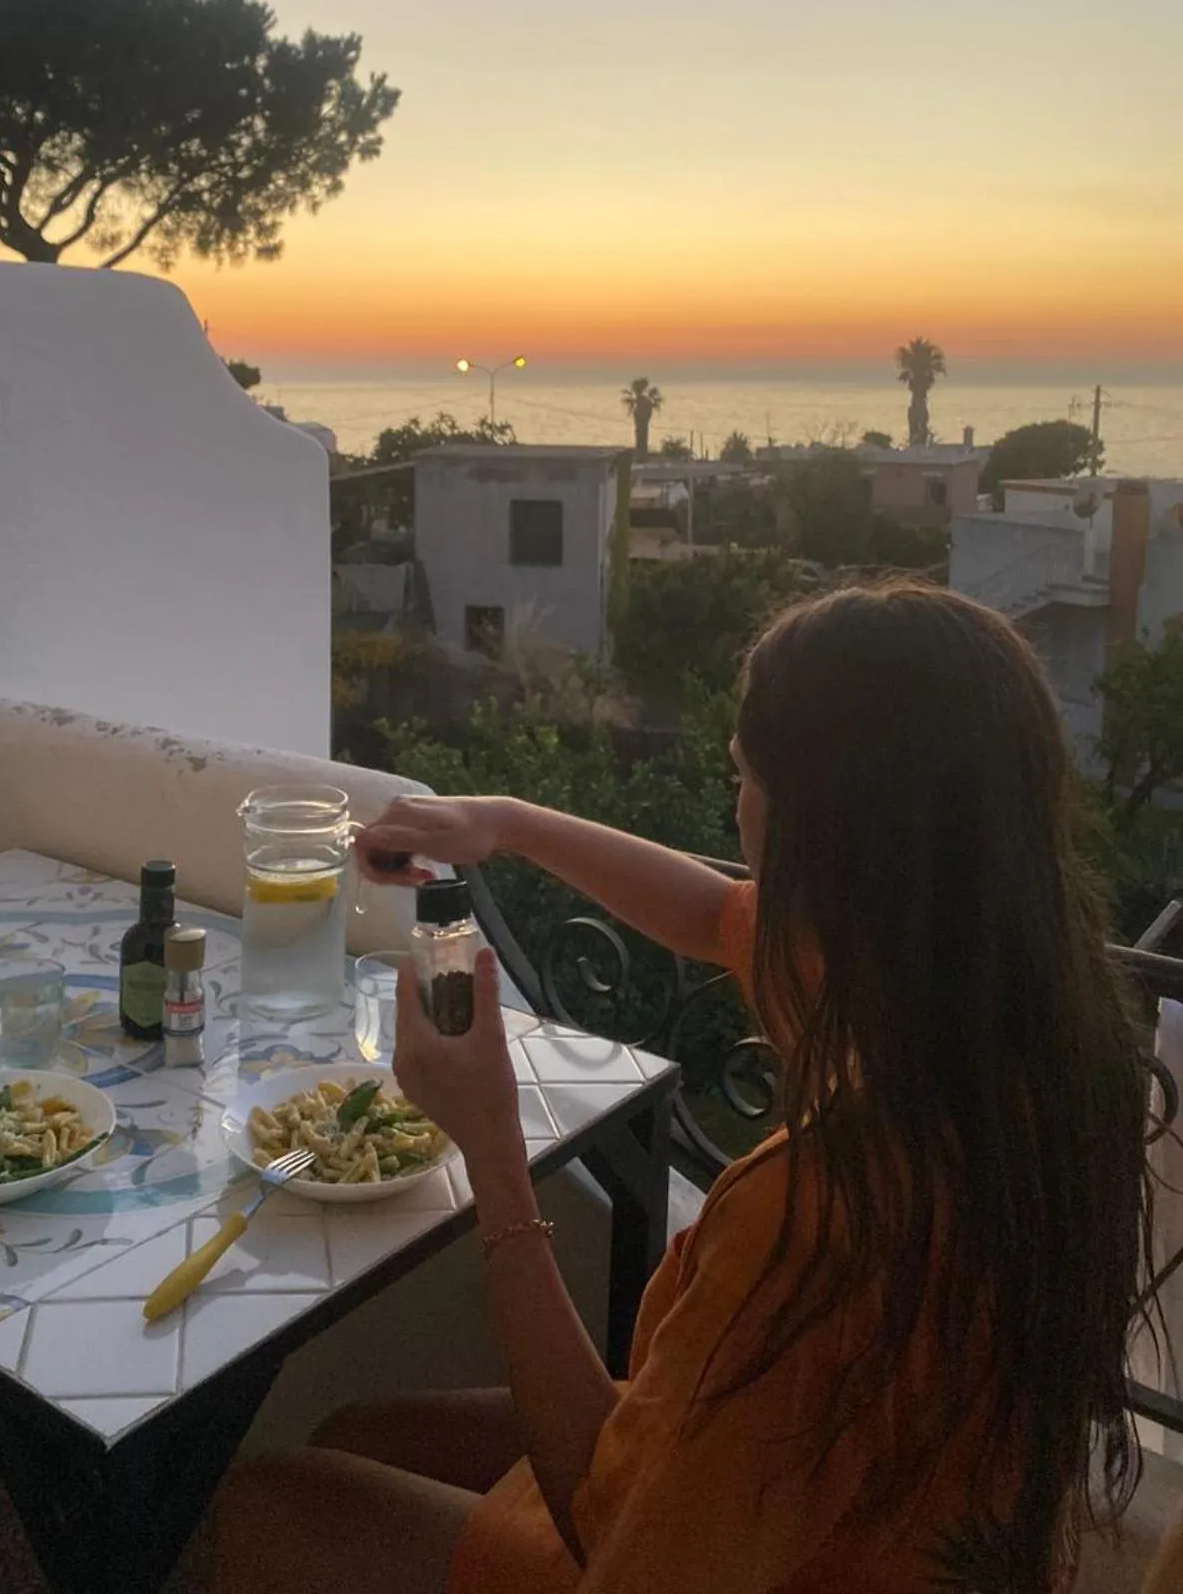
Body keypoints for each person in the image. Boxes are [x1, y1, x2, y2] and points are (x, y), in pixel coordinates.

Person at [206, 584, 1151, 1594]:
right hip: (862, 1504)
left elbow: (609, 1526)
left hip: (732, 1553)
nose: (732, 802)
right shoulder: (1007, 1018)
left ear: (820, 829)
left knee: (265, 1503)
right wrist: (507, 822)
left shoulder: (815, 1205)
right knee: (355, 1428)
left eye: (745, 777)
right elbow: (712, 914)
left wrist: (491, 1143)